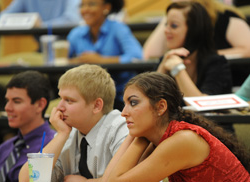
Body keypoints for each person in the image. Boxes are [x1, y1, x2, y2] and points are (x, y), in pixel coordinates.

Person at [103, 71, 250, 182]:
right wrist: (138, 135)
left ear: (161, 107)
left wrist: (137, 136)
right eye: (124, 104)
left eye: (133, 103)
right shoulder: (157, 138)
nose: (123, 113)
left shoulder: (182, 140)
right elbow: (109, 179)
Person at [19, 64, 129, 181]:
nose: (59, 107)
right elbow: (28, 179)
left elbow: (126, 178)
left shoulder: (121, 128)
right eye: (60, 98)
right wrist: (61, 134)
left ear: (97, 106)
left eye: (69, 100)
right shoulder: (67, 133)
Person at [67, 0, 143, 110]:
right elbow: (63, 61)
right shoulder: (76, 34)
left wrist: (101, 60)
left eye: (91, 4)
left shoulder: (118, 29)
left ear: (106, 7)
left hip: (121, 97)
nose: (85, 9)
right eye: (82, 5)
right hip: (86, 97)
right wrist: (78, 62)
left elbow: (137, 57)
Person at [0, 70, 56, 182]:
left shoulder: (55, 146)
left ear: (40, 105)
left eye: (17, 101)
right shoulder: (4, 148)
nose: (7, 108)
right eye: (7, 101)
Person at [157, 2, 232, 98]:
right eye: (166, 24)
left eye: (174, 26)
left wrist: (178, 69)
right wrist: (162, 68)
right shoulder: (167, 60)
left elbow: (204, 106)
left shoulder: (217, 63)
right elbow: (150, 103)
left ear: (194, 30)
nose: (166, 30)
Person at [143, 0, 250, 59]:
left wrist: (201, 57)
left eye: (174, 26)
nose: (168, 29)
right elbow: (149, 54)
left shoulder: (226, 17)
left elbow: (247, 50)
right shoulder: (175, 17)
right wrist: (173, 16)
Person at [0, 0, 82, 27]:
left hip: (68, 48)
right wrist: (27, 22)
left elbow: (73, 20)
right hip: (41, 49)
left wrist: (41, 25)